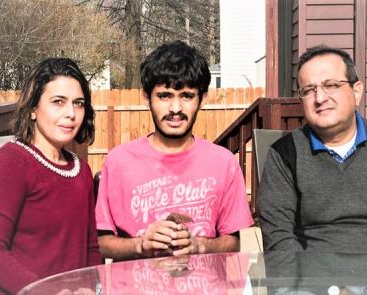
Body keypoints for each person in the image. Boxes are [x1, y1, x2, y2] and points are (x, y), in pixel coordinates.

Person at [95, 40, 253, 261]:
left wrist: (199, 246)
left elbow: (233, 243)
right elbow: (101, 244)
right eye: (164, 95)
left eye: (187, 96)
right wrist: (141, 245)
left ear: (203, 99)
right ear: (146, 98)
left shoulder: (224, 162)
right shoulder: (118, 162)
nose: (176, 109)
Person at [258, 45, 367, 254]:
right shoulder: (284, 154)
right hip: (311, 282)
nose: (319, 98)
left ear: (356, 91)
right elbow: (279, 241)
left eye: (331, 85)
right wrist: (302, 287)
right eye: (308, 90)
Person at [0, 58, 101, 294]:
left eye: (78, 103)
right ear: (33, 109)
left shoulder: (81, 170)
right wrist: (45, 291)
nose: (71, 113)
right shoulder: (11, 162)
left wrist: (89, 288)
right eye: (58, 102)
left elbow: (91, 249)